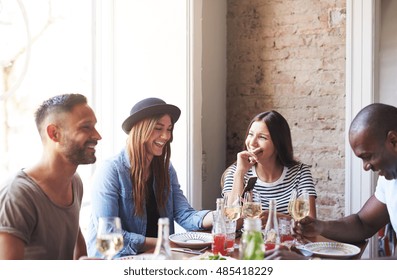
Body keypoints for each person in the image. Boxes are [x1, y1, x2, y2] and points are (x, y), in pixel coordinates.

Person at [266, 102, 397, 260]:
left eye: (368, 156)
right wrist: (320, 226)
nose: (366, 167)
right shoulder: (389, 178)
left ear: (393, 141)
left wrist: (310, 266)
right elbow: (363, 223)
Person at [87, 97, 213, 258]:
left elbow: (184, 214)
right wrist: (163, 242)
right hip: (117, 259)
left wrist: (223, 216)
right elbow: (109, 234)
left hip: (156, 256)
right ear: (140, 129)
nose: (166, 136)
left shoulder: (166, 169)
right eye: (158, 128)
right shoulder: (110, 170)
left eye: (169, 129)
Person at [0, 93, 102, 260]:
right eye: (86, 127)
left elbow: (79, 254)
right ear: (54, 133)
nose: (97, 136)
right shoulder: (16, 195)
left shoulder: (74, 182)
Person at [222, 110, 317, 224]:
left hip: (289, 241)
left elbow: (310, 223)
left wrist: (274, 217)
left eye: (262, 137)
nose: (252, 143)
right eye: (250, 134)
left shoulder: (300, 172)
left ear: (278, 143)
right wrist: (240, 173)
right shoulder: (236, 171)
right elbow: (229, 221)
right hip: (250, 240)